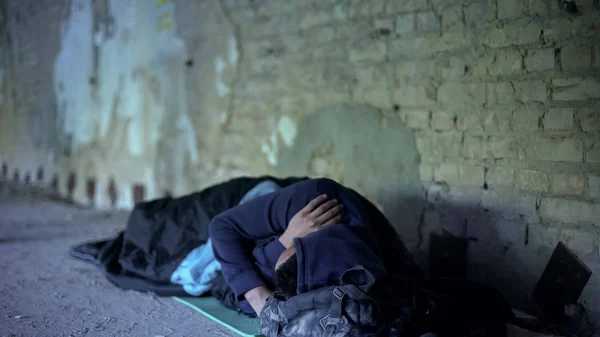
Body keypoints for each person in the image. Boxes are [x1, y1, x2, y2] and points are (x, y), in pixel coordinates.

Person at [209, 178, 422, 317]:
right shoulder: (318, 201)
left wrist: (283, 243)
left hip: (261, 246)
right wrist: (283, 244)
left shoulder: (380, 283)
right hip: (262, 202)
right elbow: (221, 226)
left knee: (221, 286)